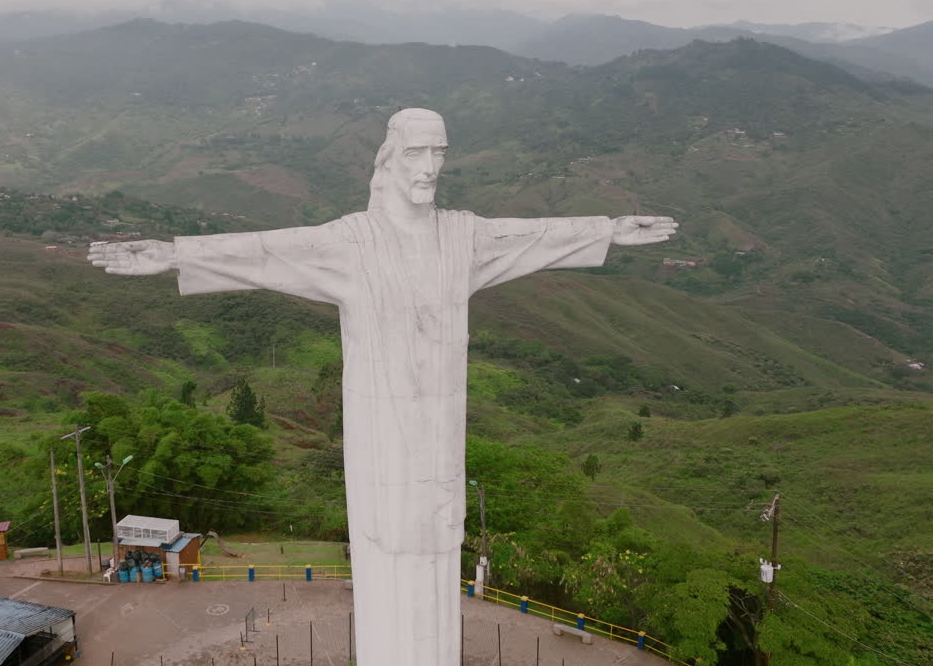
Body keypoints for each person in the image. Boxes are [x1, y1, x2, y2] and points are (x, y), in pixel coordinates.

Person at [90, 108, 677, 665]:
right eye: (417, 152)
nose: (429, 167)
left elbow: (531, 237)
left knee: (439, 540)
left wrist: (612, 229)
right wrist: (172, 256)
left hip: (441, 439)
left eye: (439, 153)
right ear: (389, 158)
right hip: (381, 446)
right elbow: (265, 251)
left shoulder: (462, 238)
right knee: (390, 547)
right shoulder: (351, 242)